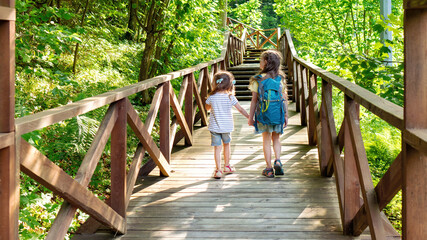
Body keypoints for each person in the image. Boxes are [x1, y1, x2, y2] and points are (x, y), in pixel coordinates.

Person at [248, 49, 288, 178]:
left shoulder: (257, 80)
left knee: (266, 140)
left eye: (261, 60)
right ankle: (278, 160)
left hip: (263, 115)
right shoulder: (280, 79)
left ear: (265, 62)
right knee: (276, 138)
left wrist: (251, 117)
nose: (260, 62)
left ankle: (269, 168)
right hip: (278, 113)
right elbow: (284, 98)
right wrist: (286, 115)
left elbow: (254, 100)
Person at [205, 71, 249, 179]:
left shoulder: (211, 97)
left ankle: (218, 170)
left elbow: (207, 108)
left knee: (217, 148)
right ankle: (227, 166)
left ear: (215, 84)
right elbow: (240, 109)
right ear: (230, 84)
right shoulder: (230, 97)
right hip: (227, 127)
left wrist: (212, 106)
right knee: (227, 145)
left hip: (215, 127)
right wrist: (249, 117)